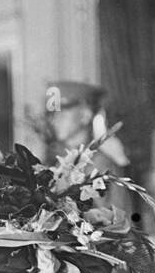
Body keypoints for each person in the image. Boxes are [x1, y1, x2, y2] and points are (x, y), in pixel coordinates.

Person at [45, 80, 141, 224]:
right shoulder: (58, 161)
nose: (55, 121)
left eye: (62, 115)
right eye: (53, 116)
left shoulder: (100, 164)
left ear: (85, 116)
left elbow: (122, 223)